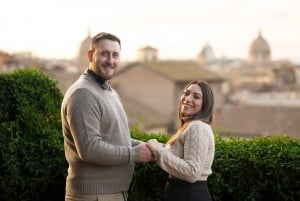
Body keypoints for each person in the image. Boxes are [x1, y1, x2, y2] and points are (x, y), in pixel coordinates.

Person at [61, 32, 153, 201]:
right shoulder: (83, 94)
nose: (110, 61)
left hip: (110, 194)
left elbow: (115, 137)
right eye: (104, 54)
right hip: (93, 196)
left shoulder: (108, 91)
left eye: (115, 55)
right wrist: (134, 154)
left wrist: (146, 146)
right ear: (90, 55)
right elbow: (90, 150)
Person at [147, 80, 215, 201]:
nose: (188, 99)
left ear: (205, 104)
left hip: (189, 195)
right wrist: (156, 147)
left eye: (196, 97)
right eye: (186, 93)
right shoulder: (192, 126)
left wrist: (158, 151)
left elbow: (192, 172)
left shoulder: (197, 127)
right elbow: (180, 155)